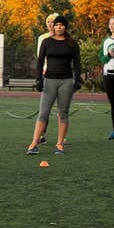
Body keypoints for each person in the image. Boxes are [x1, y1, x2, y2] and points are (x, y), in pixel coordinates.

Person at [28, 15, 81, 155]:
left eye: (62, 25)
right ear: (53, 26)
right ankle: (34, 143)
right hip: (49, 80)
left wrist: (78, 79)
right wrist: (38, 79)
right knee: (43, 113)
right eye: (57, 24)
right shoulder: (46, 42)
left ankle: (59, 144)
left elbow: (77, 63)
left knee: (63, 113)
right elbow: (39, 62)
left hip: (67, 81)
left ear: (65, 27)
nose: (59, 27)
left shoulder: (72, 43)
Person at [31, 12, 58, 148]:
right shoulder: (42, 37)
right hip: (46, 73)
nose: (50, 24)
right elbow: (40, 57)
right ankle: (42, 135)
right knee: (45, 107)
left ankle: (61, 138)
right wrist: (39, 77)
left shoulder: (64, 37)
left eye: (52, 21)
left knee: (61, 108)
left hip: (61, 74)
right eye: (48, 22)